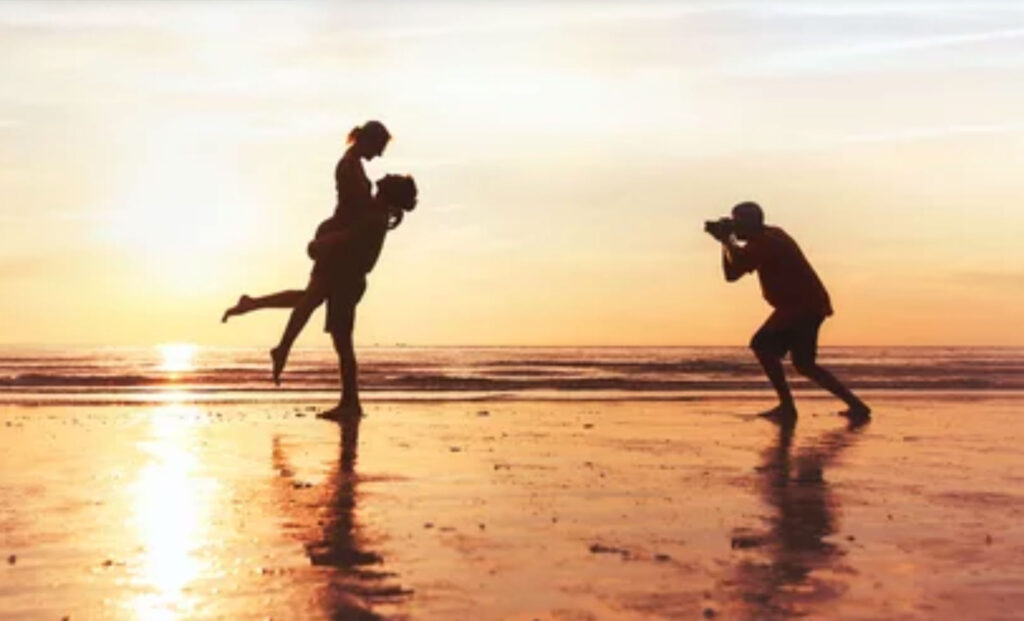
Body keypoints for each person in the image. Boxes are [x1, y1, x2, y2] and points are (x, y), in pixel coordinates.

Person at [223, 174, 418, 418]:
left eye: (387, 184)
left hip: (348, 278)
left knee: (342, 343)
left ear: (388, 194)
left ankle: (350, 402)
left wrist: (323, 242)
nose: (384, 179)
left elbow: (348, 235)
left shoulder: (375, 217)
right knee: (309, 301)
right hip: (342, 272)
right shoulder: (371, 209)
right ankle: (259, 312)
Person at [222, 121, 391, 383]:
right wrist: (379, 212)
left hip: (341, 243)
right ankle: (281, 346)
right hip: (338, 243)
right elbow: (356, 208)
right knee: (311, 299)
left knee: (311, 296)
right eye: (379, 147)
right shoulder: (348, 166)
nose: (379, 154)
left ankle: (257, 309)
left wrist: (385, 212)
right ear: (367, 140)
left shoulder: (354, 165)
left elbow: (362, 209)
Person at [707, 201, 870, 421]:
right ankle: (856, 406)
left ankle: (787, 407)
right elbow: (732, 275)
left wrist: (727, 240)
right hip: (805, 305)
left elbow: (737, 266)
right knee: (804, 364)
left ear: (750, 222)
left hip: (801, 306)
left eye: (737, 222)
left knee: (761, 345)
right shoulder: (766, 238)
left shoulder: (768, 241)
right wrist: (725, 243)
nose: (735, 227)